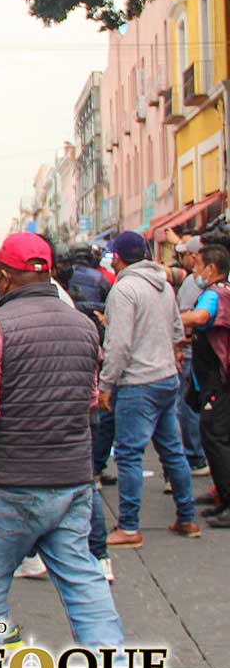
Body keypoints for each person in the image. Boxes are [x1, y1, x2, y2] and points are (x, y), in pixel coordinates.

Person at [0, 233, 139, 668]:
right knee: (82, 577)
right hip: (72, 478)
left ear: (5, 276)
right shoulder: (84, 325)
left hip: (13, 479)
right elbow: (89, 398)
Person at [99, 231, 200, 548]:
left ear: (118, 258)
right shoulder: (164, 286)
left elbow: (119, 345)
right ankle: (187, 518)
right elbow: (177, 332)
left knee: (129, 454)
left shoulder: (124, 289)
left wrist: (105, 383)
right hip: (166, 377)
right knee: (173, 451)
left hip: (137, 381)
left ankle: (129, 527)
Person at [180, 243, 230, 529]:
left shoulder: (213, 294)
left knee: (215, 436)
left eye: (198, 265)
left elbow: (201, 317)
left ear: (211, 269)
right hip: (215, 378)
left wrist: (170, 317)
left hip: (217, 380)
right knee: (215, 435)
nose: (194, 271)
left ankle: (227, 500)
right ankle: (222, 496)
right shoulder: (223, 291)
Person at [174, 235, 211, 477]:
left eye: (188, 256)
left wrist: (172, 324)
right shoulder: (198, 285)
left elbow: (194, 318)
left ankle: (195, 455)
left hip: (193, 354)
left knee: (188, 404)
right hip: (196, 353)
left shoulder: (199, 287)